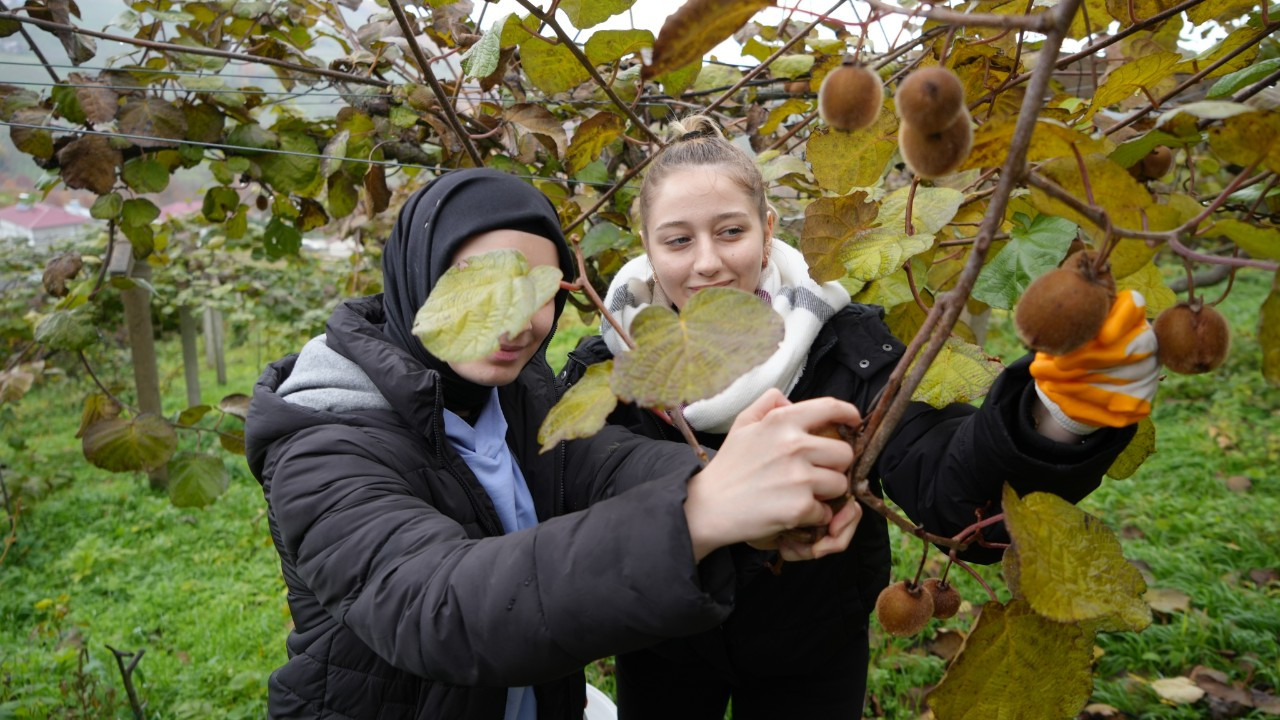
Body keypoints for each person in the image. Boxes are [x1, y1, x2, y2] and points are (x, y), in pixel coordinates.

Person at [558, 116, 1161, 719]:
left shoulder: (847, 346)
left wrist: (1058, 416)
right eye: (678, 240)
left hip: (815, 646)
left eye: (731, 231)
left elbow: (944, 482)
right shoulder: (605, 374)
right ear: (647, 246)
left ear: (767, 231)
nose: (709, 263)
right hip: (663, 642)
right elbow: (569, 511)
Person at [243, 168, 867, 720]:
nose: (517, 322)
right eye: (481, 284)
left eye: (538, 290)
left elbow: (601, 467)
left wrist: (726, 488)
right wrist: (700, 514)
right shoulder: (322, 439)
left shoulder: (512, 391)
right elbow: (438, 607)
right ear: (418, 273)